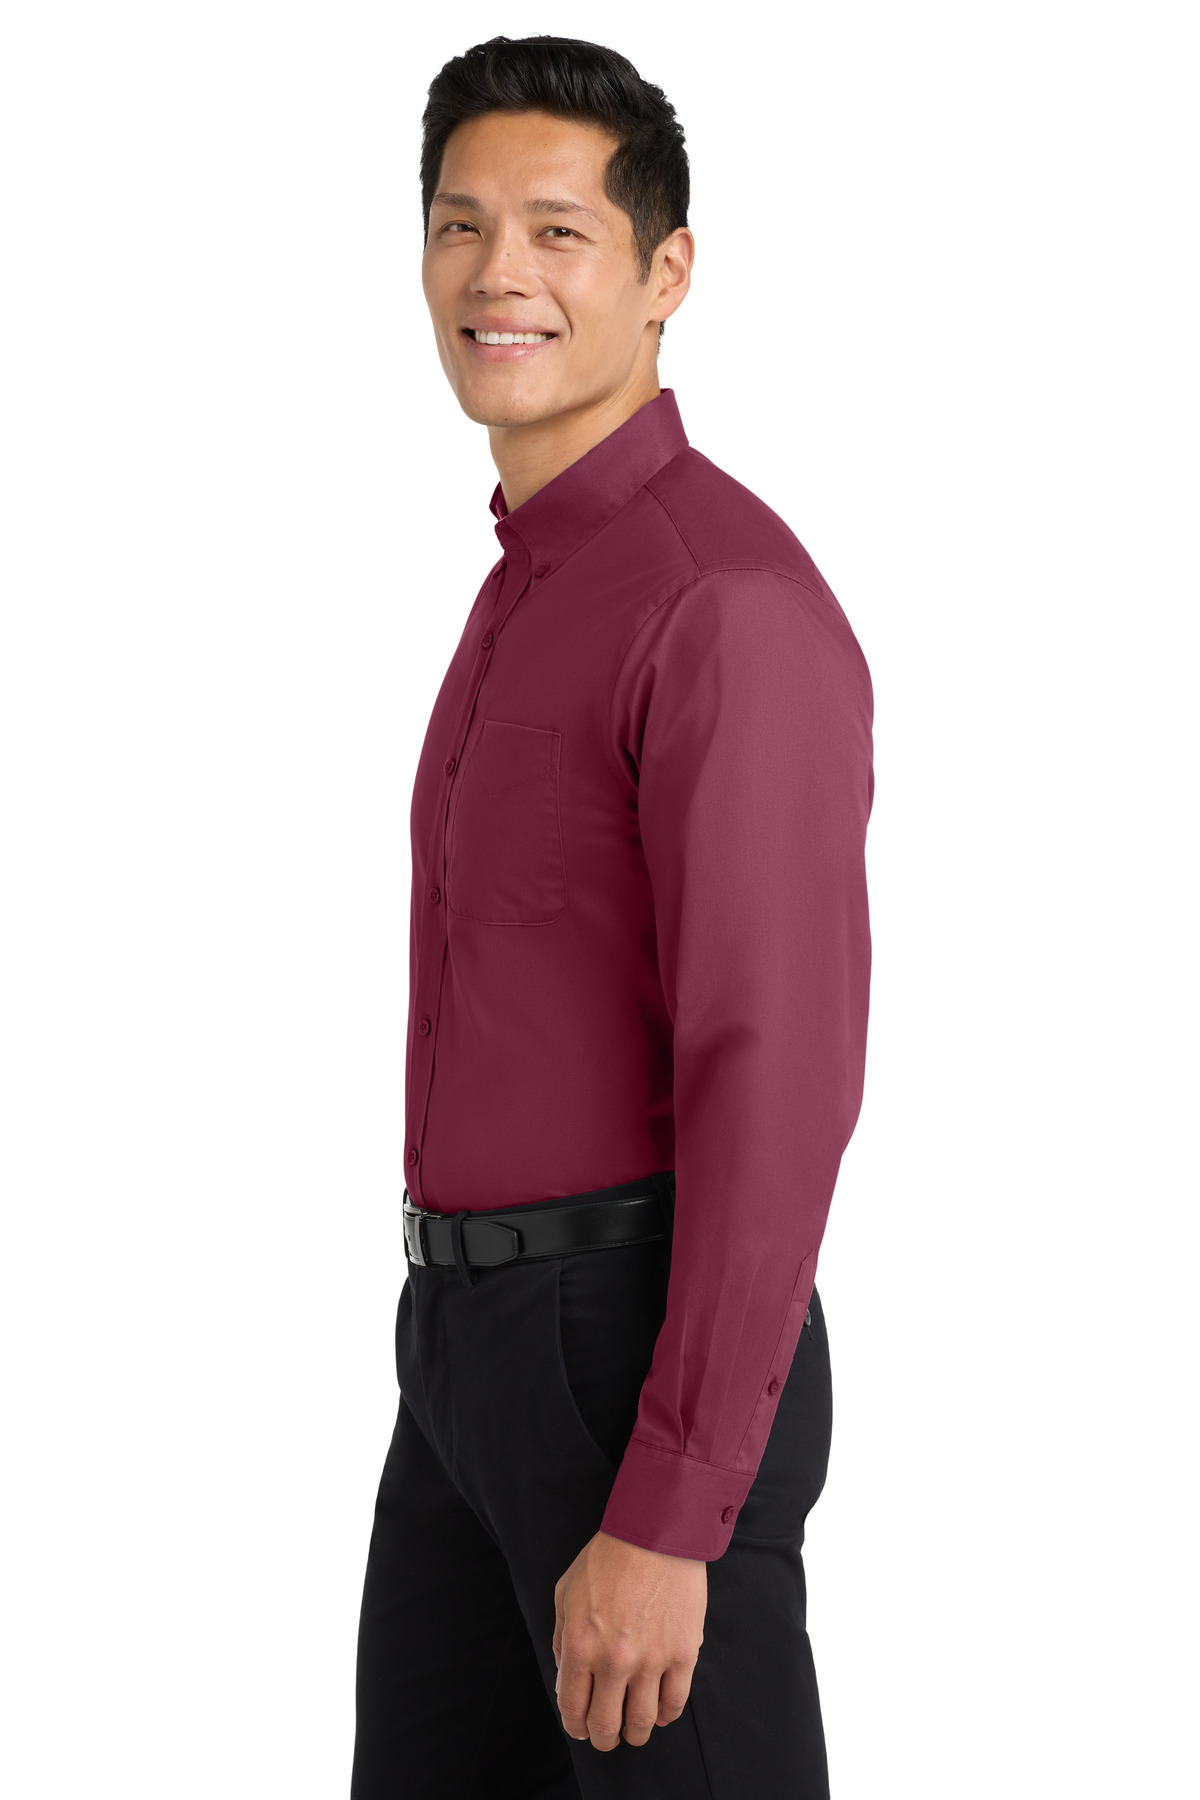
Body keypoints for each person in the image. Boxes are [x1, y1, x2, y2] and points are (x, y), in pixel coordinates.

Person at [351, 33, 873, 1800]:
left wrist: (672, 1507)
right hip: (463, 1354)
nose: (497, 272)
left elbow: (776, 1079)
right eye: (461, 224)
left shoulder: (718, 602)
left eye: (559, 232)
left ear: (666, 274)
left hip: (630, 1352)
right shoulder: (529, 582)